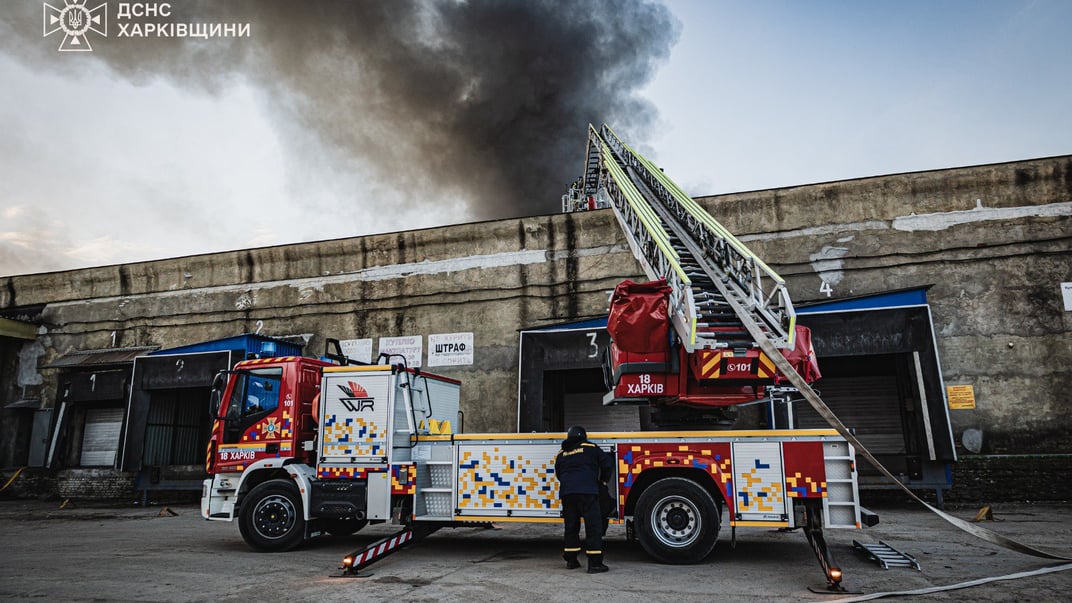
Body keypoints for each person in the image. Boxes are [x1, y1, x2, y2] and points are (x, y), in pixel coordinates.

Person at [554, 425, 614, 573]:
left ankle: (571, 560)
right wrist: (603, 480)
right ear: (583, 436)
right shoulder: (590, 448)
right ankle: (595, 564)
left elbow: (558, 473)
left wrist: (569, 484)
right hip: (587, 492)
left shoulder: (562, 453)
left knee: (571, 527)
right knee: (593, 526)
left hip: (568, 493)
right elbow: (607, 464)